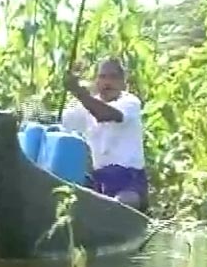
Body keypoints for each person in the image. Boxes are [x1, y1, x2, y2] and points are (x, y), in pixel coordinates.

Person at [61, 58, 148, 212]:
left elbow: (104, 115)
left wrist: (78, 91)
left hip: (129, 180)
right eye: (102, 77)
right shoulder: (86, 106)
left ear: (123, 83)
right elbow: (64, 121)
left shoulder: (130, 102)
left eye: (114, 77)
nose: (108, 82)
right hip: (98, 179)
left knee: (121, 205)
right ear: (96, 81)